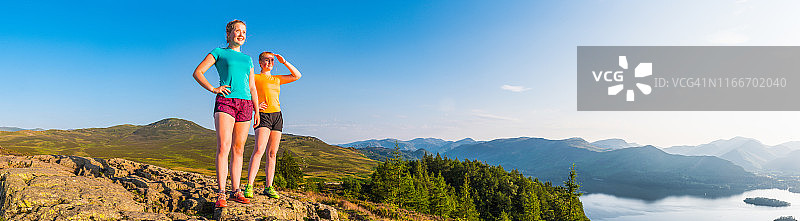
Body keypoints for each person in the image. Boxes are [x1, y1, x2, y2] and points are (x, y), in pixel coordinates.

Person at [192, 20, 259, 208]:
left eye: (244, 31)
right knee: (224, 147)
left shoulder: (248, 59)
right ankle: (221, 192)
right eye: (237, 31)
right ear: (228, 34)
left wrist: (256, 109)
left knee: (239, 149)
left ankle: (236, 191)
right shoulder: (219, 52)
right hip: (226, 101)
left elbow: (252, 86)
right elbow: (198, 72)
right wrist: (214, 89)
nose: (241, 34)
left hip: (246, 104)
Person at [243, 51, 301, 199]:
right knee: (259, 150)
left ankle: (269, 186)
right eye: (267, 60)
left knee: (272, 153)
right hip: (263, 115)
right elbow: (245, 92)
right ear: (260, 62)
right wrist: (253, 106)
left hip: (277, 116)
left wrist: (284, 62)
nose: (270, 62)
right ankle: (249, 185)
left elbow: (297, 75)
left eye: (272, 60)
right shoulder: (254, 77)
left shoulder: (276, 78)